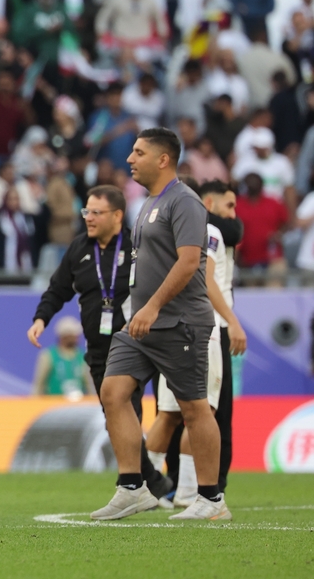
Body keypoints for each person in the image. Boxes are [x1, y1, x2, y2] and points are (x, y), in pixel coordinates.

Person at [92, 128, 227, 522]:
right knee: (113, 392)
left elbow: (189, 262)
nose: (130, 159)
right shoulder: (150, 202)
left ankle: (211, 499)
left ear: (163, 159)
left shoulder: (185, 202)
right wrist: (140, 310)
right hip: (142, 323)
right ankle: (133, 487)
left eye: (138, 152)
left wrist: (150, 307)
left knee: (193, 408)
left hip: (178, 322)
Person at [28, 184, 172, 500]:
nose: (89, 218)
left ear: (117, 215)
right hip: (97, 350)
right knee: (116, 419)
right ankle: (155, 484)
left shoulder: (139, 246)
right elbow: (57, 290)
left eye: (96, 212)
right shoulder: (80, 248)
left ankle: (140, 485)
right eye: (86, 211)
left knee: (131, 413)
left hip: (136, 345)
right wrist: (41, 319)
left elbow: (165, 285)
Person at [146, 180, 248, 507]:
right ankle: (193, 493)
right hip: (206, 328)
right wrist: (232, 321)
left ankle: (139, 486)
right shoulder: (209, 231)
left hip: (169, 327)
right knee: (203, 413)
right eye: (228, 205)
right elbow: (206, 280)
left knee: (169, 414)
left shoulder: (161, 233)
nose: (232, 215)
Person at [31, 316, 91, 397]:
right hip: (54, 406)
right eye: (74, 334)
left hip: (78, 407)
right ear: (65, 336)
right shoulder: (48, 356)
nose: (77, 337)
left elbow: (90, 386)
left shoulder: (83, 358)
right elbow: (39, 385)